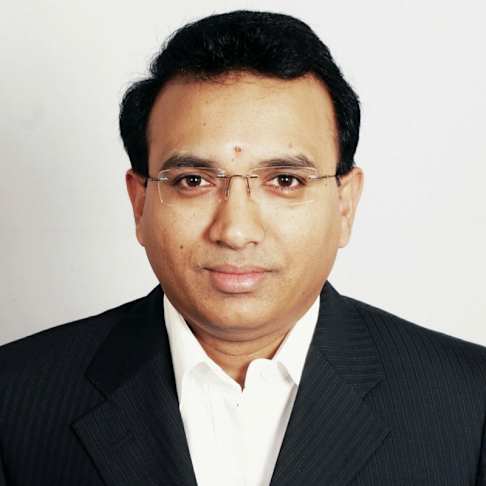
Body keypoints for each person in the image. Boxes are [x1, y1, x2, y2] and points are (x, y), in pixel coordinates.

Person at [1, 9, 485, 486]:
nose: (235, 230)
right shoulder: (15, 399)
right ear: (140, 202)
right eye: (193, 180)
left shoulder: (470, 402)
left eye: (285, 180)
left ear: (345, 205)